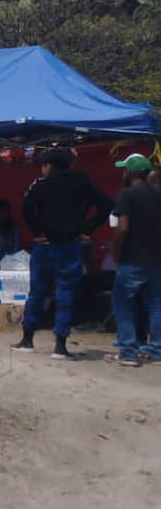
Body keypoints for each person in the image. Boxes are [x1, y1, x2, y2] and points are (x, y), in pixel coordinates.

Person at [14, 148, 113, 360]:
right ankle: (60, 346)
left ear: (48, 166)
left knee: (37, 292)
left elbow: (26, 207)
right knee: (65, 293)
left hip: (46, 246)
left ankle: (27, 340)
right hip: (70, 245)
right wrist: (86, 229)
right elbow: (106, 204)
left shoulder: (40, 184)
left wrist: (37, 232)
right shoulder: (83, 184)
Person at [105, 154, 161, 367]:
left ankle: (128, 352)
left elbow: (123, 227)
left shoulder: (127, 195)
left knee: (122, 304)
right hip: (156, 260)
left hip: (132, 259)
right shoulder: (158, 195)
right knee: (156, 306)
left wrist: (116, 253)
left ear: (129, 173)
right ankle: (157, 351)